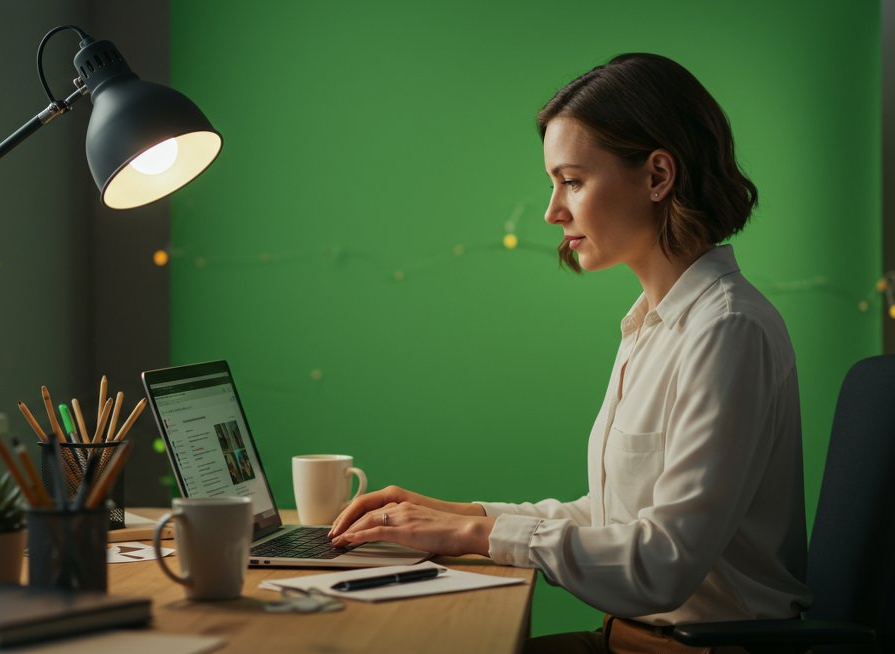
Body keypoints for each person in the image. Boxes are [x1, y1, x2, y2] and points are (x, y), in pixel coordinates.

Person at [328, 53, 812, 654]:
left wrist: (473, 535)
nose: (553, 210)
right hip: (631, 640)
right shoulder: (652, 326)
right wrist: (455, 514)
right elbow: (613, 521)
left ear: (658, 176)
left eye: (573, 181)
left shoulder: (726, 330)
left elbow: (663, 561)